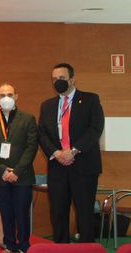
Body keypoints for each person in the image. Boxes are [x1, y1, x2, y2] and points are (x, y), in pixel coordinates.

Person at [38, 63, 104, 243]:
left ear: (72, 79)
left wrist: (73, 151)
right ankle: (61, 252)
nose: (57, 82)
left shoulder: (90, 100)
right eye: (54, 79)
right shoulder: (47, 106)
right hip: (58, 166)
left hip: (83, 166)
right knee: (58, 213)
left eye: (62, 78)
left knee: (84, 213)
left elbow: (95, 129)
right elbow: (42, 134)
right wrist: (57, 153)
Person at [0, 83, 38, 253]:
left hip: (22, 177)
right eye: (2, 95)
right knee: (6, 213)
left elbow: (31, 147)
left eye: (9, 94)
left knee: (22, 213)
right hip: (1, 177)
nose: (6, 98)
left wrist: (16, 171)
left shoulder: (28, 118)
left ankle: (24, 245)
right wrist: (2, 170)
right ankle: (9, 244)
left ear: (16, 96)